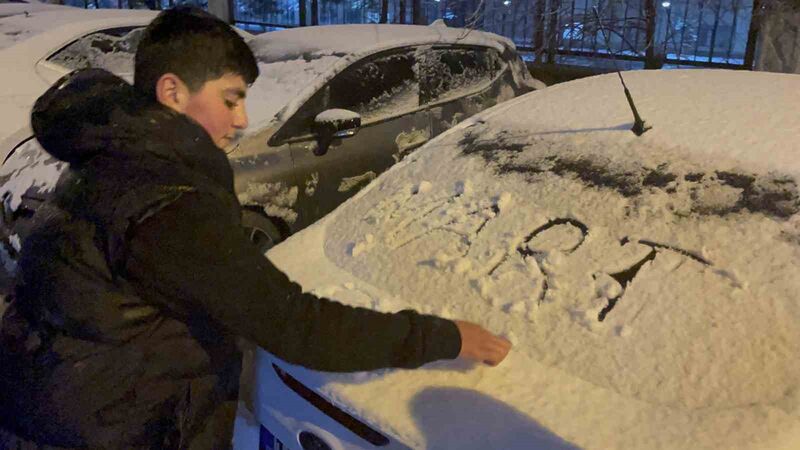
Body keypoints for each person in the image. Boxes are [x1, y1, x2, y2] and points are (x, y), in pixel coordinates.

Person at [0, 6, 511, 449]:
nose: (243, 119)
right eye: (230, 99)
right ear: (173, 91)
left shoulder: (115, 157)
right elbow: (293, 325)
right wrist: (444, 337)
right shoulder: (167, 201)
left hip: (64, 408)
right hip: (110, 428)